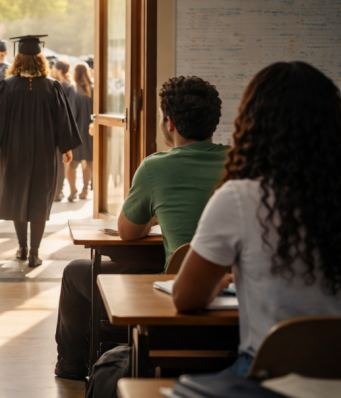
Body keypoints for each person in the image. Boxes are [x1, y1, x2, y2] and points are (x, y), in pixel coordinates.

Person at [173, 61, 341, 376]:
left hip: (271, 376)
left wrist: (225, 278)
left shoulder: (239, 197)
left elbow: (185, 297)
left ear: (251, 123)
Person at [55, 75, 227, 381]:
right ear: (213, 122)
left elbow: (128, 232)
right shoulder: (240, 162)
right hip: (230, 304)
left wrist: (157, 214)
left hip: (175, 298)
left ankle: (70, 367)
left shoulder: (156, 167)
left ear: (169, 123)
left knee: (75, 272)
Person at [0, 35, 81, 268]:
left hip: (14, 153)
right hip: (44, 154)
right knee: (39, 199)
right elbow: (63, 121)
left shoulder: (7, 86)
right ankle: (35, 252)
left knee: (18, 197)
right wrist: (67, 147)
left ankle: (22, 247)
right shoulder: (52, 87)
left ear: (18, 59)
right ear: (41, 60)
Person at [51, 60, 79, 202]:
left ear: (60, 70)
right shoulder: (68, 86)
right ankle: (59, 190)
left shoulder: (63, 86)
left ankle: (58, 190)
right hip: (61, 129)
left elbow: (69, 112)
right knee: (61, 162)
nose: (52, 70)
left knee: (60, 162)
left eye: (54, 68)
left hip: (59, 130)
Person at [68, 63, 94, 200]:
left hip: (77, 132)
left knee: (72, 164)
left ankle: (73, 191)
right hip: (90, 132)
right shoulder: (93, 89)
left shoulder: (74, 89)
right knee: (88, 163)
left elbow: (72, 113)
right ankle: (85, 190)